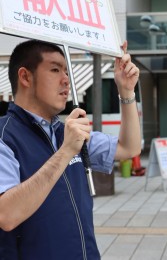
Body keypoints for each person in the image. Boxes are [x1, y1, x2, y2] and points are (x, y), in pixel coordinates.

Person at [0, 40, 141, 259]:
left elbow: (128, 148)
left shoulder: (64, 131)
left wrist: (126, 91)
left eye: (67, 71)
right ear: (25, 77)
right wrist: (65, 152)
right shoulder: (5, 136)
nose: (66, 80)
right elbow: (6, 214)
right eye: (55, 69)